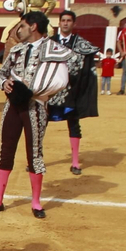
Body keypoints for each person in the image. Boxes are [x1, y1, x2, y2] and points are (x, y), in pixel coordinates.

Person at [0, 11, 74, 219]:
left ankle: (36, 202)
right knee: (6, 150)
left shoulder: (54, 50)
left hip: (36, 106)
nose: (19, 30)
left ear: (33, 27)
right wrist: (4, 83)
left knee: (34, 153)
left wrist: (33, 89)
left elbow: (60, 81)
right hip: (13, 106)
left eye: (22, 26)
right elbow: (0, 74)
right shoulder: (16, 50)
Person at [48, 10, 101, 175]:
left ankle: (75, 162)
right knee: (40, 125)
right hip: (50, 91)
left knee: (73, 124)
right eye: (63, 20)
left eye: (69, 20)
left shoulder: (81, 44)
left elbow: (87, 68)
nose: (65, 23)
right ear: (59, 23)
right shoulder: (49, 43)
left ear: (74, 23)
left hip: (72, 91)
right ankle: (35, 160)